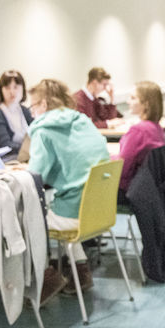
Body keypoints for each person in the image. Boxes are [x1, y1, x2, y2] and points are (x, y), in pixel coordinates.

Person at [27, 79, 109, 294]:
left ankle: (45, 278)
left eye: (32, 106)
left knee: (23, 219)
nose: (32, 112)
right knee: (59, 204)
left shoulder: (42, 130)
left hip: (74, 214)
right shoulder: (83, 121)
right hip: (98, 210)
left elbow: (34, 176)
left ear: (43, 105)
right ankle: (81, 273)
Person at [117, 81, 165, 201]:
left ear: (146, 104)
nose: (128, 101)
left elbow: (122, 170)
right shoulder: (158, 129)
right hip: (149, 190)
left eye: (133, 98)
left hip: (129, 190)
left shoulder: (138, 131)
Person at [0, 69, 33, 157]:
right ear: (1, 90)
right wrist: (31, 148)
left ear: (23, 88)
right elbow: (4, 145)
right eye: (7, 88)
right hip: (8, 161)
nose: (12, 92)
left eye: (16, 87)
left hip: (27, 157)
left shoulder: (25, 111)